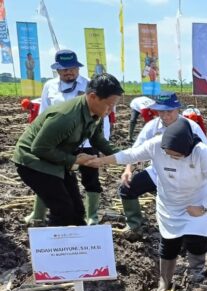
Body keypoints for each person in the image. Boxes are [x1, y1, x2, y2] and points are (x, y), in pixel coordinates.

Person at [85, 119, 207, 291]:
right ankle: (164, 281)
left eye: (177, 155)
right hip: (170, 203)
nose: (172, 157)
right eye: (168, 153)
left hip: (196, 200)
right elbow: (131, 154)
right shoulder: (156, 145)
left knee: (196, 239)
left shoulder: (201, 152)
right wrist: (102, 161)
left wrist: (204, 207)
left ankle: (195, 273)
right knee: (168, 242)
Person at [12, 74, 124, 227]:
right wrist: (74, 160)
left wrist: (124, 155)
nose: (111, 110)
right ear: (92, 96)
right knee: (63, 209)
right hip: (33, 161)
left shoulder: (96, 112)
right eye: (109, 105)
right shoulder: (66, 117)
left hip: (56, 157)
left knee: (77, 211)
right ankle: (54, 248)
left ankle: (80, 246)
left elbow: (97, 139)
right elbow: (39, 148)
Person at [119, 92, 207, 240]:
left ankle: (190, 234)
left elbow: (206, 153)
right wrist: (128, 169)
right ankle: (134, 225)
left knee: (184, 208)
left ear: (177, 110)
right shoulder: (151, 127)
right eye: (161, 111)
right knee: (126, 188)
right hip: (158, 174)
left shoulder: (191, 127)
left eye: (169, 111)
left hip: (185, 177)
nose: (165, 116)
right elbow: (135, 151)